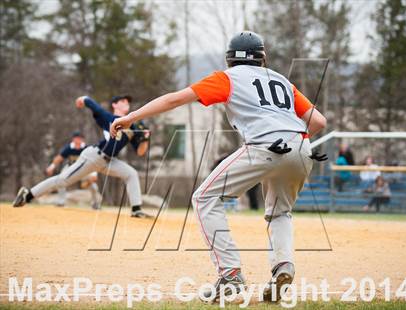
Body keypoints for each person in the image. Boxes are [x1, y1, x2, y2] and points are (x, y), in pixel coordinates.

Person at [110, 31, 327, 302]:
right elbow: (318, 121)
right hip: (302, 146)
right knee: (280, 212)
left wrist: (131, 117)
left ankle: (231, 277)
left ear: (229, 59)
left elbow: (174, 99)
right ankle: (283, 266)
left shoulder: (228, 77)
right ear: (262, 58)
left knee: (204, 197)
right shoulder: (281, 80)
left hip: (265, 145)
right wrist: (293, 143)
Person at [13, 95, 152, 218]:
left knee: (131, 174)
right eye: (122, 100)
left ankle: (136, 210)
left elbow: (140, 152)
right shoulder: (110, 118)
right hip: (94, 157)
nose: (126, 102)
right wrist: (83, 99)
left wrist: (145, 139)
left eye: (128, 101)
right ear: (114, 105)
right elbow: (94, 106)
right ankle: (28, 194)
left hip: (110, 161)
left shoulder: (132, 126)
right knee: (63, 181)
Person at [45, 131, 100, 209]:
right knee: (61, 180)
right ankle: (61, 202)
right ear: (73, 139)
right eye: (76, 138)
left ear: (82, 139)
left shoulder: (86, 148)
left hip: (84, 170)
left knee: (93, 186)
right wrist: (51, 167)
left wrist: (94, 174)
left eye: (79, 138)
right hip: (71, 168)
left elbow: (94, 161)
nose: (78, 140)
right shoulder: (69, 148)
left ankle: (95, 204)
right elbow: (59, 158)